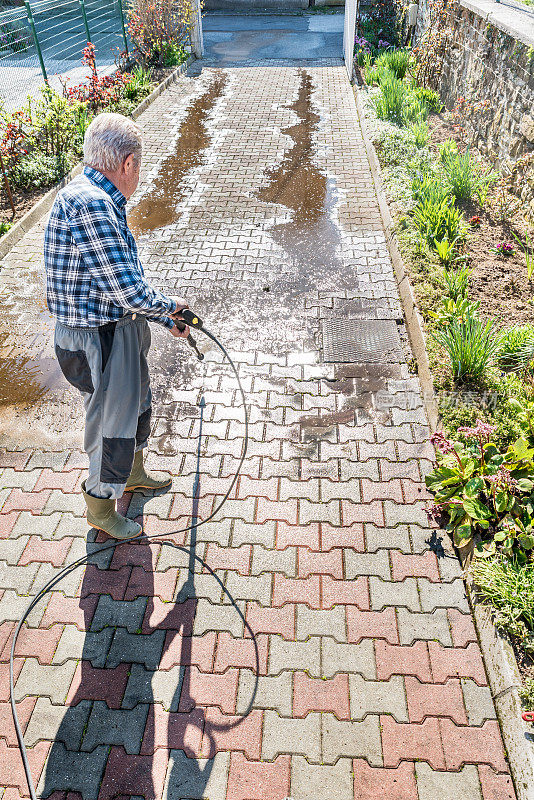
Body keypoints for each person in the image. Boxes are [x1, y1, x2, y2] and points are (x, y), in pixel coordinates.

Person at [44, 112, 189, 540]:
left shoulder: (96, 197)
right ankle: (101, 509)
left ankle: (134, 474)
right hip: (98, 338)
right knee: (111, 426)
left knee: (137, 404)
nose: (139, 174)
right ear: (128, 163)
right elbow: (128, 291)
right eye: (139, 166)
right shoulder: (91, 205)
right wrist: (170, 306)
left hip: (117, 327)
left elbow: (118, 282)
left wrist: (163, 318)